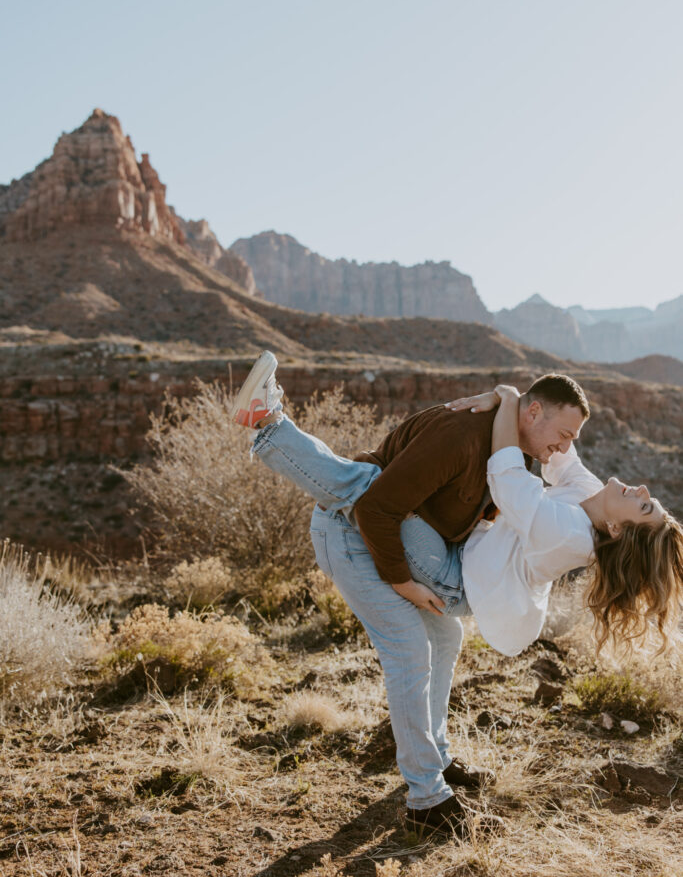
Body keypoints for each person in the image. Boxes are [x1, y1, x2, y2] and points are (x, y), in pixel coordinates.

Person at [231, 352, 683, 835]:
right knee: (442, 639)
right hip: (450, 560)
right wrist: (509, 397)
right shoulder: (589, 498)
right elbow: (565, 459)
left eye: (645, 505)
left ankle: (270, 425)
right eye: (647, 497)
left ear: (618, 528)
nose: (641, 487)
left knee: (369, 489)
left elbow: (508, 475)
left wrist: (507, 396)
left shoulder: (570, 532)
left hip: (452, 577)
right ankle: (438, 764)